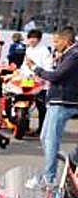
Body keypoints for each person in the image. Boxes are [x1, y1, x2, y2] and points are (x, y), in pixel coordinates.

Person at [26, 25, 77, 186]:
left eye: (56, 41)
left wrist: (36, 68)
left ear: (66, 40)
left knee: (50, 140)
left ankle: (49, 178)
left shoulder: (74, 55)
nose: (54, 45)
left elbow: (56, 76)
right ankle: (62, 164)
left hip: (64, 101)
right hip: (57, 100)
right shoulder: (67, 54)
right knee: (45, 138)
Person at [24, 28, 54, 136]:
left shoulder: (44, 51)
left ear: (39, 39)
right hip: (28, 81)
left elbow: (49, 67)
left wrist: (41, 77)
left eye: (35, 38)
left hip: (41, 83)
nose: (32, 40)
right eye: (30, 38)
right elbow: (25, 65)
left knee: (41, 108)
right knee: (25, 104)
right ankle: (24, 127)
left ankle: (42, 129)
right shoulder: (28, 49)